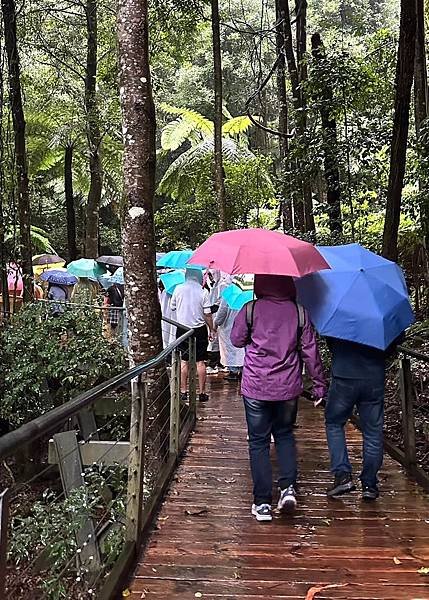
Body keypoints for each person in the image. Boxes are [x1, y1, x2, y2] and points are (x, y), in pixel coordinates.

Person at [231, 274, 326, 522]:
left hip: (255, 387)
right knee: (284, 435)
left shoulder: (250, 309)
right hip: (287, 387)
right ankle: (287, 488)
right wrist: (319, 384)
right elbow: (310, 351)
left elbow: (236, 339)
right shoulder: (300, 312)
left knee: (258, 442)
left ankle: (262, 503)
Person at [324, 336, 402, 501]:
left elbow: (330, 339)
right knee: (373, 431)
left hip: (344, 374)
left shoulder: (340, 312)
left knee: (334, 423)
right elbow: (393, 342)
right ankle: (369, 484)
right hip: (373, 376)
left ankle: (342, 475)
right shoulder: (381, 313)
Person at [170, 267, 215, 403]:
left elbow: (173, 306)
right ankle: (202, 392)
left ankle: (183, 391)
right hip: (199, 329)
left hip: (182, 329)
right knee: (200, 362)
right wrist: (212, 329)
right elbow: (207, 314)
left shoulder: (178, 289)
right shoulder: (203, 292)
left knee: (184, 361)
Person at [214, 297, 245, 381]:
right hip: (244, 325)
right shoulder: (250, 296)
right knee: (242, 349)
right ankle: (243, 370)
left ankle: (233, 371)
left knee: (230, 349)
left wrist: (216, 323)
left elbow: (222, 312)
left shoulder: (228, 296)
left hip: (229, 326)